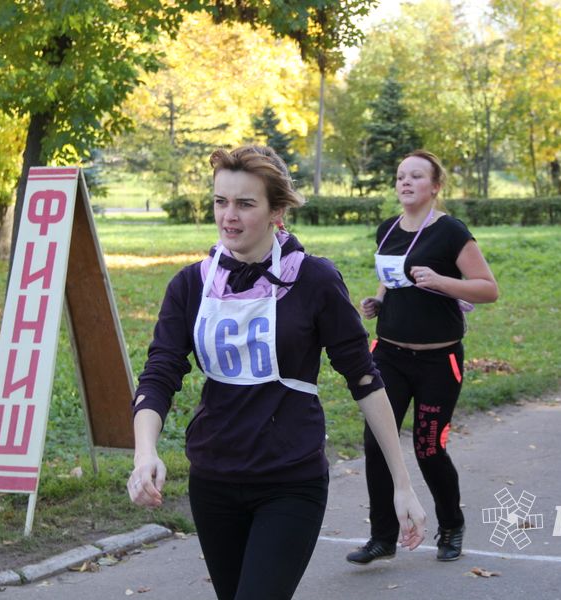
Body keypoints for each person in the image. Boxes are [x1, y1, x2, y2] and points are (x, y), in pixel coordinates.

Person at [127, 145, 426, 599]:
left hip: (290, 480)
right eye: (220, 202)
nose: (229, 216)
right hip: (214, 477)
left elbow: (364, 379)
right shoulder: (191, 284)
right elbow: (160, 373)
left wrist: (401, 485)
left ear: (276, 211)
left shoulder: (315, 280)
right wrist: (144, 452)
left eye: (245, 204)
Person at [347, 150, 499, 565]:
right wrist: (377, 300)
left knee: (428, 448)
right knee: (378, 442)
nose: (406, 182)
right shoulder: (388, 228)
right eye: (400, 176)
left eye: (416, 176)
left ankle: (451, 524)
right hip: (389, 356)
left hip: (438, 360)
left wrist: (443, 281)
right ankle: (383, 537)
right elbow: (390, 276)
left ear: (435, 186)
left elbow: (488, 288)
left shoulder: (451, 232)